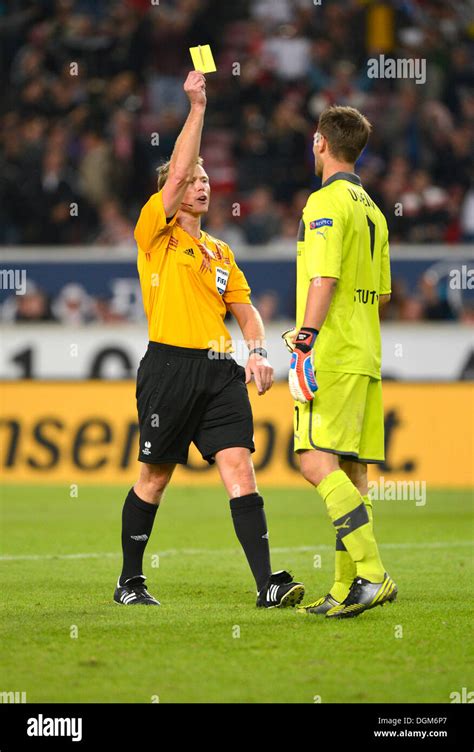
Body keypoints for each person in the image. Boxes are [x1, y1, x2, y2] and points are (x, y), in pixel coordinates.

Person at [114, 71, 304, 609]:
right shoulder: (154, 235)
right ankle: (130, 580)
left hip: (220, 372)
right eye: (193, 179)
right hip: (168, 368)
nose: (202, 185)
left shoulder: (222, 251)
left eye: (204, 179)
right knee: (154, 477)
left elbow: (247, 315)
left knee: (240, 465)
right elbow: (173, 174)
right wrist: (196, 107)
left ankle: (267, 583)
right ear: (170, 194)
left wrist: (260, 353)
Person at [286, 105, 397, 619]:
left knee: (312, 460)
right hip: (366, 351)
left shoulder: (325, 202)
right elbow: (384, 293)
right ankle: (343, 585)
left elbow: (323, 278)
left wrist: (305, 338)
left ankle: (372, 575)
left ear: (320, 142)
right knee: (352, 476)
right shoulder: (373, 209)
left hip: (331, 353)